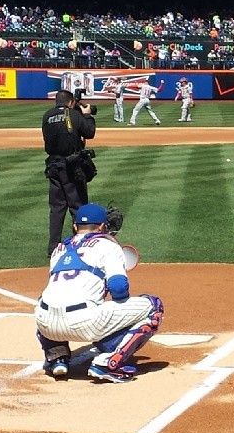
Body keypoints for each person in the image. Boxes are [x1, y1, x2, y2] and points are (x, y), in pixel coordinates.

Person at [35, 203, 164, 383]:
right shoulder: (108, 246)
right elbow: (119, 290)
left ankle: (57, 358)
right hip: (84, 323)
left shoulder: (59, 249)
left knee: (45, 300)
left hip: (46, 325)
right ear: (103, 227)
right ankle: (108, 362)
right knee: (153, 306)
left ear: (75, 227)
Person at [42, 89, 97, 257]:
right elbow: (90, 132)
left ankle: (53, 248)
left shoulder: (47, 115)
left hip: (53, 165)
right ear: (71, 102)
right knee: (77, 206)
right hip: (72, 167)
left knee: (57, 208)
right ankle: (79, 244)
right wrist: (87, 115)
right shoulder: (73, 115)